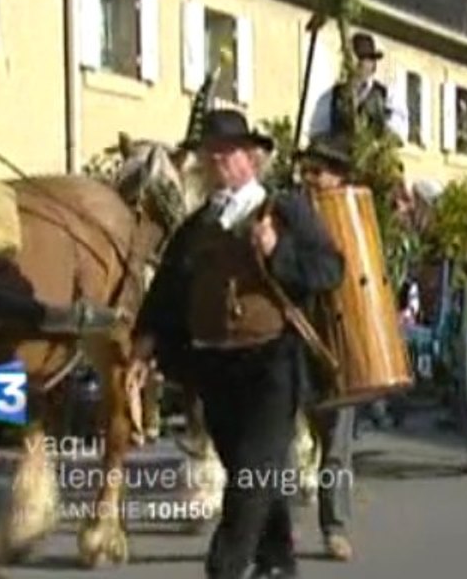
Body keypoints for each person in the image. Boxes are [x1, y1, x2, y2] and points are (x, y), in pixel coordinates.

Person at [128, 110, 346, 579]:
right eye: (209, 154)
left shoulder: (285, 211)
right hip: (213, 367)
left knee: (251, 475)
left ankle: (224, 568)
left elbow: (329, 270)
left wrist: (277, 252)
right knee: (251, 471)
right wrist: (143, 347)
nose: (215, 162)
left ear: (251, 159)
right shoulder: (196, 225)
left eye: (226, 153)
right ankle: (278, 560)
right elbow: (167, 290)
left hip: (273, 363)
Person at [293, 138, 361, 562]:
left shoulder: (353, 220)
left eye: (318, 172)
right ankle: (283, 528)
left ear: (338, 177)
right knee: (283, 446)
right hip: (295, 342)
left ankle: (333, 527)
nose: (310, 181)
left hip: (340, 345)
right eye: (305, 172)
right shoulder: (289, 216)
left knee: (335, 447)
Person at [330, 32, 390, 142]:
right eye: (357, 58)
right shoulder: (336, 93)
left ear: (373, 63)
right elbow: (319, 130)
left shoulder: (385, 94)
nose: (360, 63)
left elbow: (393, 134)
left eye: (365, 59)